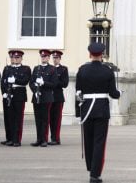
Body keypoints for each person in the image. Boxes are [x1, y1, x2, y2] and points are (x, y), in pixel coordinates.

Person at [75, 42, 121, 183]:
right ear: (102, 55)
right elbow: (113, 94)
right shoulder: (108, 71)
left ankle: (90, 167)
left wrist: (79, 113)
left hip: (87, 110)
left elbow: (78, 93)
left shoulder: (82, 70)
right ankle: (95, 174)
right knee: (99, 143)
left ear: (90, 54)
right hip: (101, 109)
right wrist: (119, 93)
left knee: (88, 141)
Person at [0, 49, 31, 147]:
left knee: (17, 118)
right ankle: (9, 138)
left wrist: (15, 80)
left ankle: (16, 139)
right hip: (8, 95)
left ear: (21, 58)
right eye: (13, 57)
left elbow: (26, 80)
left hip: (19, 96)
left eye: (17, 57)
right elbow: (3, 82)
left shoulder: (26, 69)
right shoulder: (7, 68)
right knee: (8, 118)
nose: (14, 59)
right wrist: (4, 93)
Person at [30, 49, 58, 147]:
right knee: (38, 119)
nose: (44, 58)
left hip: (47, 97)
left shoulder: (52, 69)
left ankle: (44, 139)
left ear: (49, 58)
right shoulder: (36, 68)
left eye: (45, 56)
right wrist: (35, 91)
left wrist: (44, 83)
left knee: (45, 119)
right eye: (42, 56)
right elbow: (31, 82)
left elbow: (54, 84)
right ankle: (39, 139)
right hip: (37, 97)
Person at [49, 50, 69, 145]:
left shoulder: (63, 69)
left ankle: (56, 138)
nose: (55, 59)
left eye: (56, 58)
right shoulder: (49, 69)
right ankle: (51, 137)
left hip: (58, 97)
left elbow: (65, 84)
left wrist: (55, 82)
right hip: (49, 96)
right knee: (49, 118)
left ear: (60, 58)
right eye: (54, 58)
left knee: (56, 119)